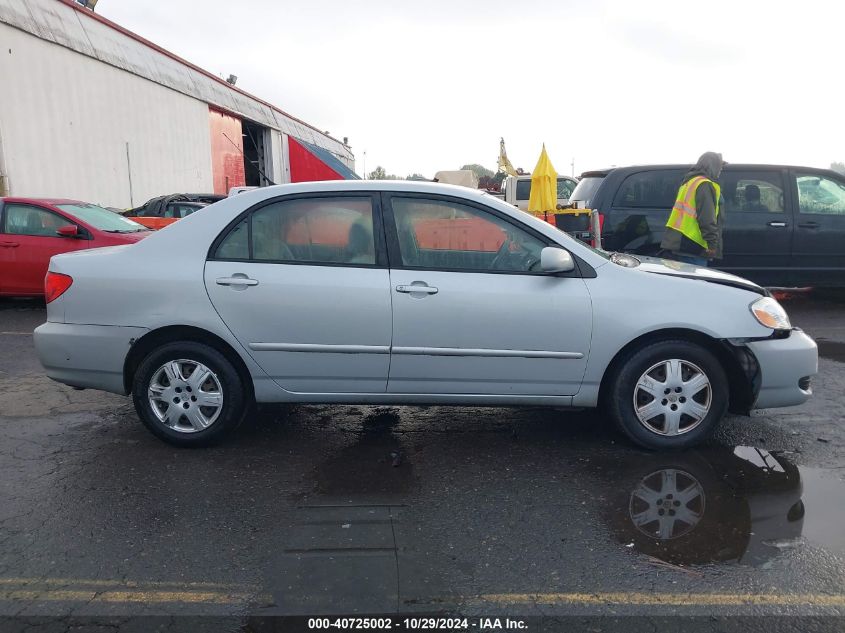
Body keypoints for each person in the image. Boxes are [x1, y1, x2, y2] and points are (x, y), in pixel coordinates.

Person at [660, 152, 726, 267]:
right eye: (720, 167)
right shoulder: (704, 185)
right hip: (693, 245)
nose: (720, 170)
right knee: (695, 282)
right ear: (713, 166)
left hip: (681, 242)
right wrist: (712, 244)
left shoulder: (689, 182)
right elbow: (706, 218)